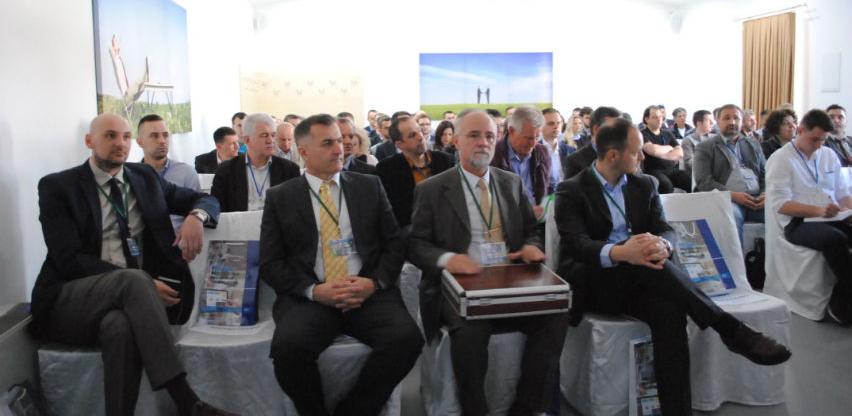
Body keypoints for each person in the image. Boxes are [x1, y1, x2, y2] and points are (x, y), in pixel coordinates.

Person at [555, 117, 791, 416]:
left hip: (645, 279)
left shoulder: (644, 184)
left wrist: (663, 245)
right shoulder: (571, 190)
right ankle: (730, 329)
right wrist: (621, 252)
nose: (643, 158)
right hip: (597, 281)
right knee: (644, 263)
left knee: (670, 312)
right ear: (613, 155)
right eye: (636, 152)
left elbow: (665, 229)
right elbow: (576, 244)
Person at [31, 113, 235, 416]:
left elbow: (205, 200)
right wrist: (143, 284)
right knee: (135, 279)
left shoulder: (144, 178)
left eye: (126, 136)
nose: (120, 143)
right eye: (110, 136)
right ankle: (187, 402)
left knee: (119, 327)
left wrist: (196, 217)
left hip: (125, 303)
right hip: (71, 298)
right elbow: (67, 259)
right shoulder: (59, 187)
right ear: (89, 141)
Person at [260, 113, 423, 416]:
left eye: (340, 140)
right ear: (303, 151)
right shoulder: (281, 197)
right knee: (288, 351)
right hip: (312, 298)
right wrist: (313, 291)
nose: (340, 148)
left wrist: (373, 283)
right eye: (328, 143)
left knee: (407, 340)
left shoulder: (368, 186)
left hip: (367, 293)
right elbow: (271, 263)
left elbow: (394, 243)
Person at [408, 109, 568, 416]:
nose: (483, 142)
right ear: (455, 141)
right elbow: (416, 245)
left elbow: (531, 230)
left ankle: (527, 408)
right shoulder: (432, 189)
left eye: (490, 136)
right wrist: (449, 259)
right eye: (474, 135)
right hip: (458, 287)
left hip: (509, 281)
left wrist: (531, 247)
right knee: (471, 331)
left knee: (555, 317)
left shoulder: (510, 182)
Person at [766, 109, 852, 325]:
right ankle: (842, 303)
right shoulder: (781, 159)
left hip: (832, 216)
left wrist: (848, 210)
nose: (819, 145)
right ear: (801, 130)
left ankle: (841, 297)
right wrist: (819, 211)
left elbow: (842, 194)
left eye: (823, 140)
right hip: (798, 222)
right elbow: (781, 204)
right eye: (815, 139)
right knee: (835, 239)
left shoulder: (828, 154)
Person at [693, 105, 766, 241]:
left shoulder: (753, 144)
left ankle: (770, 255)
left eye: (736, 118)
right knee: (731, 217)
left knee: (779, 213)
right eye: (726, 118)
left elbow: (765, 175)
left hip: (756, 199)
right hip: (727, 200)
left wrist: (764, 193)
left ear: (741, 121)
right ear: (718, 121)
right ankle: (736, 256)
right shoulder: (705, 147)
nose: (732, 122)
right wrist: (732, 195)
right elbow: (704, 182)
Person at [211, 113, 300, 212]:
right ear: (247, 140)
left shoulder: (290, 170)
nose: (270, 140)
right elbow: (217, 208)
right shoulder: (226, 170)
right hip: (240, 221)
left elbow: (295, 209)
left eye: (273, 135)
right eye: (264, 135)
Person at [376, 116, 453, 229]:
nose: (420, 137)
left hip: (446, 228)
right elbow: (389, 214)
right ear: (399, 144)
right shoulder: (387, 169)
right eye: (412, 135)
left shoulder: (446, 161)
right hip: (410, 233)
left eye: (420, 131)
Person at [136, 114, 201, 232]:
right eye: (154, 136)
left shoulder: (186, 172)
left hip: (178, 239)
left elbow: (198, 204)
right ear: (140, 142)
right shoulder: (133, 175)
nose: (162, 141)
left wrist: (196, 217)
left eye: (165, 135)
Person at [492, 106, 552, 219]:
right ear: (511, 131)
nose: (533, 144)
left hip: (538, 222)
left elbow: (548, 188)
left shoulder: (542, 152)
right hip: (507, 222)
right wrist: (527, 213)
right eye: (528, 138)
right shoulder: (493, 155)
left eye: (537, 137)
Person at [641, 105, 690, 193]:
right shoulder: (642, 134)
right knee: (666, 186)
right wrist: (670, 148)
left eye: (660, 117)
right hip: (653, 170)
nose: (659, 120)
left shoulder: (668, 133)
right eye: (655, 117)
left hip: (672, 169)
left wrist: (660, 153)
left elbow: (680, 153)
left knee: (689, 180)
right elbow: (653, 150)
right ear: (647, 119)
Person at [563, 106, 622, 179]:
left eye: (621, 129)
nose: (619, 134)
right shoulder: (575, 161)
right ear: (596, 129)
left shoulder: (625, 157)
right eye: (614, 129)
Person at [540, 108, 574, 186]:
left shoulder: (570, 151)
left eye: (558, 123)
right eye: (551, 123)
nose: (556, 126)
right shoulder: (533, 151)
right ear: (540, 126)